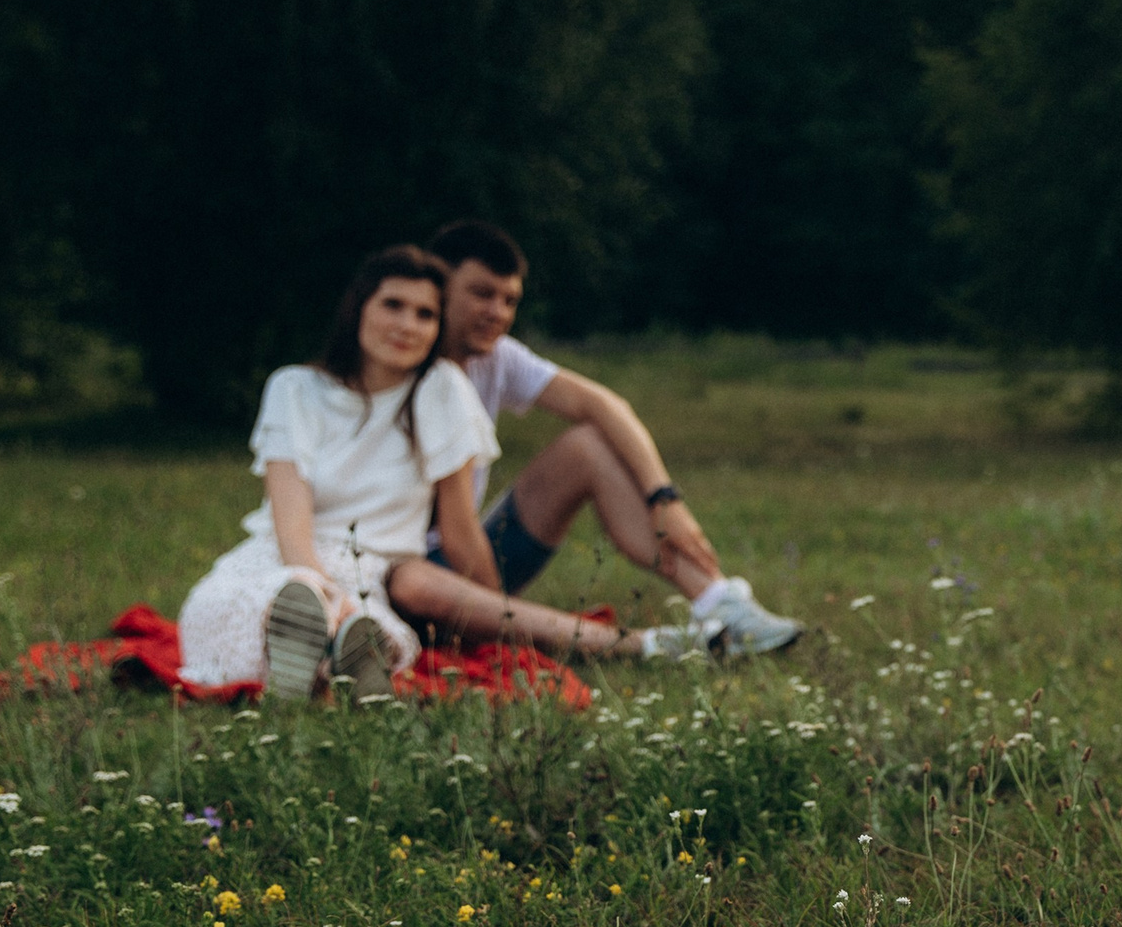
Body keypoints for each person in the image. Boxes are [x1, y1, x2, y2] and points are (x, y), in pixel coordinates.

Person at [175, 246, 719, 699]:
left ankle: (337, 655)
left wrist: (491, 622)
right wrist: (320, 589)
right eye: (393, 305)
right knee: (266, 606)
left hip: (377, 572)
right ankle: (318, 649)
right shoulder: (295, 388)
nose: (406, 326)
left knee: (368, 624)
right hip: (289, 557)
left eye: (425, 314)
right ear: (359, 307)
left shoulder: (441, 391)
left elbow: (461, 531)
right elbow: (292, 525)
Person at [399, 220, 800, 658]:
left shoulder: (495, 357)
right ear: (437, 283)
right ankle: (653, 646)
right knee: (416, 578)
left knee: (587, 447)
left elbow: (605, 406)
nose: (497, 312)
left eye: (509, 300)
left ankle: (718, 601)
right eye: (482, 293)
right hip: (402, 576)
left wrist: (664, 499)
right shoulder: (394, 363)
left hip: (468, 563)